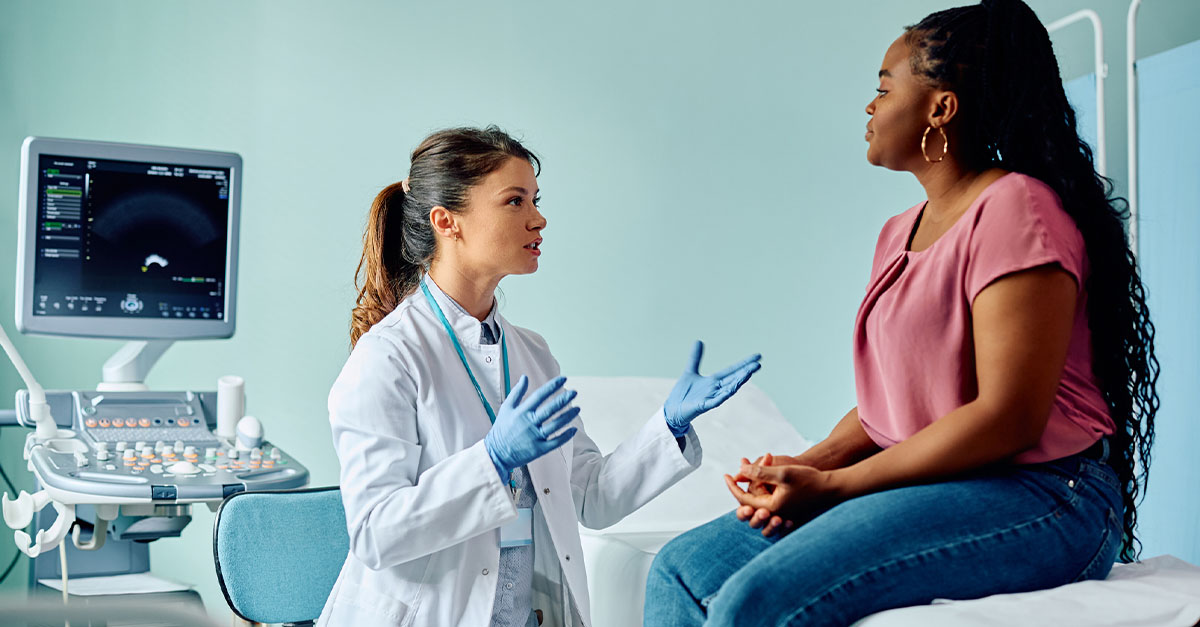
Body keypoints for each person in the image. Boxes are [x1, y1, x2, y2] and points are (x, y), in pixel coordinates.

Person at [644, 1, 1160, 625]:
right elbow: (893, 403)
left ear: (940, 109)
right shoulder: (897, 233)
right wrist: (810, 463)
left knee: (757, 600)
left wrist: (835, 488)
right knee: (679, 570)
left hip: (1048, 492)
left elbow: (1009, 419)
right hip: (943, 483)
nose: (870, 107)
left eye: (884, 89)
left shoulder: (1016, 208)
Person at [317, 126, 761, 627]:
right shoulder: (389, 357)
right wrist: (492, 459)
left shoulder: (531, 352)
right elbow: (377, 533)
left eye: (534, 199)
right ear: (448, 222)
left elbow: (590, 496)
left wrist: (669, 426)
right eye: (515, 201)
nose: (538, 218)